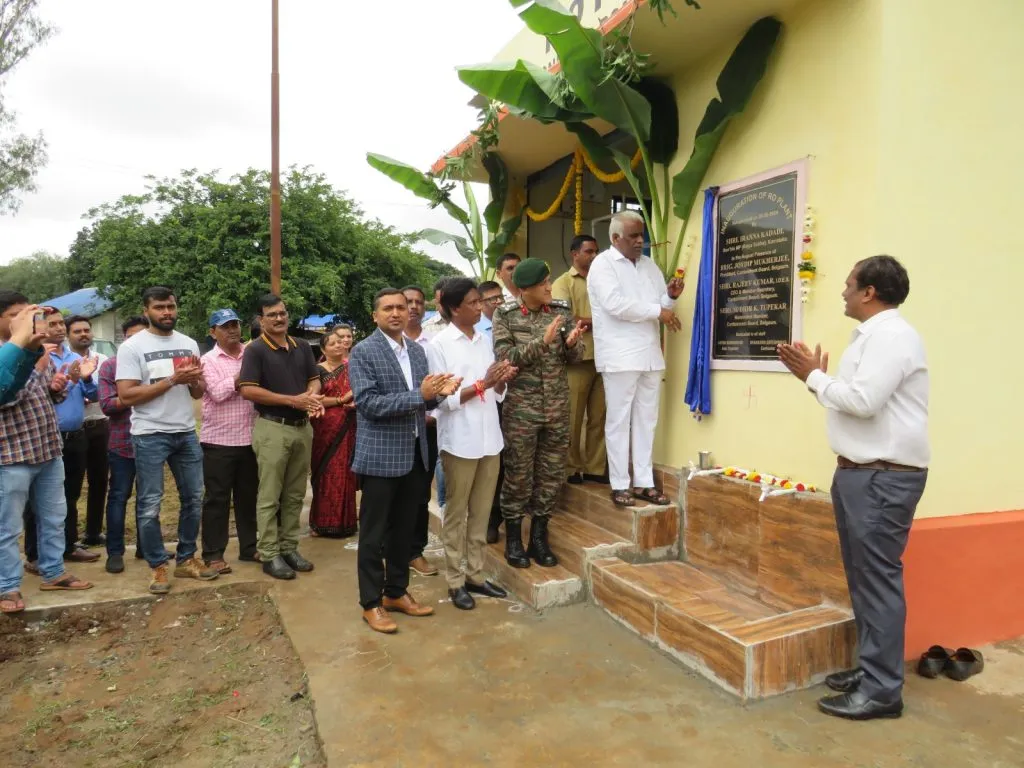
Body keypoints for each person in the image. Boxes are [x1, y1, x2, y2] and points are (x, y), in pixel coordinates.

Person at [778, 255, 929, 721]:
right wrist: (818, 382)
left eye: (848, 285)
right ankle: (871, 670)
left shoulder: (892, 337)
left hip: (883, 477)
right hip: (861, 473)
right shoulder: (872, 336)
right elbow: (857, 398)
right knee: (863, 580)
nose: (841, 292)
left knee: (877, 582)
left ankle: (884, 691)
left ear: (869, 292)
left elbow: (863, 403)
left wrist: (815, 378)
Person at [348, 288, 461, 633]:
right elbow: (368, 404)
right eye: (388, 308)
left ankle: (396, 592)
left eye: (402, 306)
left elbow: (422, 404)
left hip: (415, 453)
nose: (397, 313)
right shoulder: (363, 352)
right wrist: (420, 395)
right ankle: (370, 602)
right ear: (375, 316)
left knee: (405, 530)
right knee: (373, 534)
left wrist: (438, 395)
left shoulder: (416, 351)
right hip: (381, 458)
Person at [116, 286, 219, 593]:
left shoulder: (188, 343)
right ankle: (158, 566)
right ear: (146, 310)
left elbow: (198, 392)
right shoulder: (132, 347)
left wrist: (195, 379)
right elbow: (126, 395)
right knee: (149, 504)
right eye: (160, 307)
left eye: (171, 307)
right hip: (149, 434)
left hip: (185, 431)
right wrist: (173, 379)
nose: (167, 313)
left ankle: (187, 559)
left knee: (193, 498)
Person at [425, 278, 516, 610]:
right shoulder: (439, 345)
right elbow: (442, 401)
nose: (481, 308)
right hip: (459, 441)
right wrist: (484, 384)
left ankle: (476, 576)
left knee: (481, 513)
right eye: (475, 303)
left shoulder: (483, 340)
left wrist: (501, 381)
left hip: (490, 438)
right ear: (454, 308)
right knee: (457, 514)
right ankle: (454, 581)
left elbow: (494, 392)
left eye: (481, 302)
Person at [0, 290, 92, 614]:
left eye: (28, 313)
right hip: (10, 456)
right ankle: (7, 587)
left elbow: (48, 397)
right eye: (16, 315)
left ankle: (53, 572)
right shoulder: (13, 354)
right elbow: (5, 397)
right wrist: (34, 364)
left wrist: (60, 385)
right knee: (8, 527)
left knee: (54, 517)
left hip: (48, 449)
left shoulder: (38, 352)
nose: (26, 320)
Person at [587, 211, 684, 508]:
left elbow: (659, 304)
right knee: (619, 422)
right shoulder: (603, 266)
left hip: (650, 355)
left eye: (641, 235)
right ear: (615, 238)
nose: (640, 241)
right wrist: (659, 311)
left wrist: (669, 297)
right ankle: (619, 484)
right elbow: (615, 305)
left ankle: (644, 482)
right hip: (619, 356)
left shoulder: (649, 266)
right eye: (633, 236)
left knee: (646, 420)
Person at [493, 259, 586, 568]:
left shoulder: (561, 312)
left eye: (549, 282)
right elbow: (507, 358)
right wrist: (542, 342)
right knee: (518, 475)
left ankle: (539, 538)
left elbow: (575, 356)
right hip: (521, 410)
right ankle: (515, 540)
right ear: (526, 290)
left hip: (557, 409)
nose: (550, 287)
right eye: (544, 283)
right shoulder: (504, 315)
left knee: (551, 475)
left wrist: (572, 345)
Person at [239, 294, 321, 580]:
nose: (279, 318)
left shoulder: (301, 346)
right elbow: (247, 390)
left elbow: (314, 378)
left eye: (282, 313)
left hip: (302, 428)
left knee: (296, 493)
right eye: (271, 315)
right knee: (270, 495)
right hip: (273, 427)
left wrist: (311, 394)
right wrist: (291, 401)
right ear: (261, 321)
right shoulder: (256, 350)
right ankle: (270, 553)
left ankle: (289, 547)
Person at [24, 308, 101, 568]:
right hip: (48, 437)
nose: (58, 328)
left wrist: (87, 378)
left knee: (70, 495)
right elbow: (44, 395)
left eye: (60, 323)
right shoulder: (36, 357)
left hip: (77, 435)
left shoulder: (72, 356)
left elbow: (91, 394)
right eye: (53, 324)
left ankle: (69, 545)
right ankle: (34, 554)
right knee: (39, 499)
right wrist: (68, 380)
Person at [200, 309, 258, 574]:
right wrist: (242, 375)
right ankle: (213, 554)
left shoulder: (253, 353)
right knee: (217, 499)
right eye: (225, 327)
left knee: (249, 498)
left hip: (251, 438)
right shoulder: (207, 360)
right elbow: (217, 393)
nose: (233, 330)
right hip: (219, 441)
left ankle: (249, 547)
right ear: (213, 332)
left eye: (235, 324)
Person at [552, 234, 608, 485]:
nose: (594, 255)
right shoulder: (563, 283)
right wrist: (601, 321)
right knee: (573, 417)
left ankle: (595, 467)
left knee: (600, 416)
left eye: (596, 251)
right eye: (589, 251)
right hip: (577, 359)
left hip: (606, 357)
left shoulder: (606, 279)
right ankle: (572, 467)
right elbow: (566, 320)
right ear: (575, 254)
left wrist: (587, 320)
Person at [98, 316, 148, 573]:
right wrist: (140, 393)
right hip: (123, 443)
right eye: (131, 337)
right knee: (119, 497)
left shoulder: (154, 363)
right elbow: (107, 405)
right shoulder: (110, 366)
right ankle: (115, 552)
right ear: (124, 340)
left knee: (148, 498)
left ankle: (146, 546)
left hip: (152, 440)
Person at [403, 283, 441, 577]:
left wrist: (434, 414)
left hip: (426, 428)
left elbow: (441, 385)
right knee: (392, 494)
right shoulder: (383, 345)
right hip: (394, 430)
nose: (413, 307)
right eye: (407, 302)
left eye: (418, 302)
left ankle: (415, 551)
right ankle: (390, 548)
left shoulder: (434, 343)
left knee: (419, 493)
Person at [309, 324, 358, 538]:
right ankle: (322, 523)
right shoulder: (318, 371)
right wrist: (340, 400)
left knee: (346, 474)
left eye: (341, 341)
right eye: (333, 343)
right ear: (323, 350)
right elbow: (314, 399)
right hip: (326, 428)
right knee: (326, 473)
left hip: (349, 425)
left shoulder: (352, 368)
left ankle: (345, 523)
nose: (339, 345)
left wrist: (353, 401)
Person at [66, 314, 109, 547]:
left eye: (86, 330)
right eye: (77, 331)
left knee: (100, 480)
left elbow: (108, 389)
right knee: (71, 485)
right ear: (68, 335)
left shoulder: (103, 359)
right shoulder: (64, 360)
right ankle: (70, 538)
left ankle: (93, 533)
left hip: (101, 425)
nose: (83, 334)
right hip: (75, 429)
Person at [477, 279, 507, 543]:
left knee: (511, 461)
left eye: (500, 297)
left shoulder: (512, 322)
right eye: (491, 300)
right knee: (492, 464)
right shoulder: (475, 334)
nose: (498, 303)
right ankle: (490, 520)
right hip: (487, 404)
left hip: (515, 401)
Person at [0, 302, 46, 405]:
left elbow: (7, 394)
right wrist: (19, 336)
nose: (26, 321)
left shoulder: (40, 350)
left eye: (28, 316)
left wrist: (32, 348)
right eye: (16, 315)